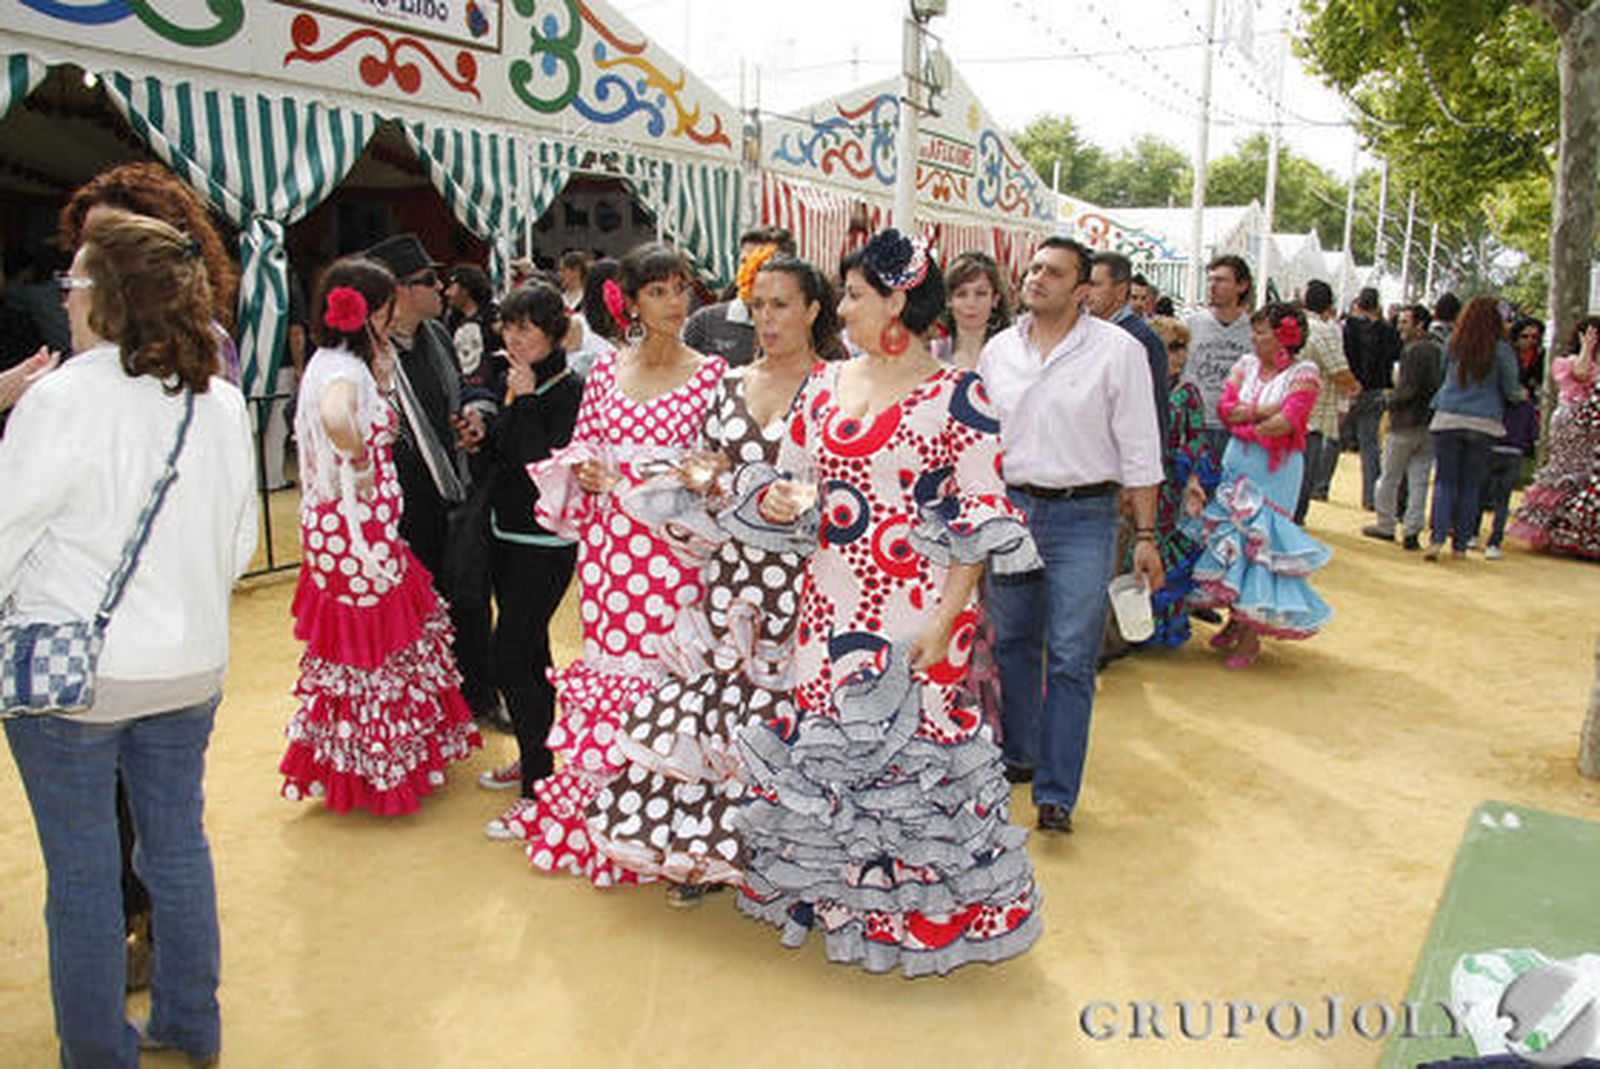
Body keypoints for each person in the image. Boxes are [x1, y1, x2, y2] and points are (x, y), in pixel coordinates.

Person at [738, 228, 1042, 976]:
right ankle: (846, 908)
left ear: (899, 300)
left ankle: (922, 921)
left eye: (853, 295)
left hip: (917, 612)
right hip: (829, 603)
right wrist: (783, 499)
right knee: (836, 767)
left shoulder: (957, 395)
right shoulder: (824, 384)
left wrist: (946, 619)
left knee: (912, 774)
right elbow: (804, 484)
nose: (841, 309)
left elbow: (979, 513)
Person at [1, 209, 257, 1068]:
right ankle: (192, 1022)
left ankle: (98, 1052)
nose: (63, 299)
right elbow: (238, 543)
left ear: (107, 297)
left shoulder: (61, 398)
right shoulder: (218, 403)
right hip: (189, 666)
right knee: (176, 846)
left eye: (72, 282)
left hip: (76, 678)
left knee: (81, 875)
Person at [582, 255, 832, 904]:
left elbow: (849, 484)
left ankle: (790, 863)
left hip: (803, 581)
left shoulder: (835, 387)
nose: (769, 318)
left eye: (784, 304)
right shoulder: (729, 385)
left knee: (787, 719)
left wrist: (807, 496)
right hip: (729, 578)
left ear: (811, 310)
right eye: (761, 304)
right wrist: (689, 476)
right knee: (719, 722)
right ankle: (710, 852)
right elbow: (701, 475)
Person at [511, 242, 727, 885]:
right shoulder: (604, 371)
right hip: (609, 554)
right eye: (659, 290)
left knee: (671, 674)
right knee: (613, 672)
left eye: (681, 288)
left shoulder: (713, 374)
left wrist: (645, 476)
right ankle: (605, 817)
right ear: (628, 302)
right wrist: (584, 465)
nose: (675, 302)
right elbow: (582, 441)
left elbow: (716, 464)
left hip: (673, 555)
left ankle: (671, 825)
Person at [279, 256, 482, 813]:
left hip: (344, 532)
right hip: (359, 535)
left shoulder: (332, 360)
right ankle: (382, 770)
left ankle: (364, 764)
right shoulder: (344, 372)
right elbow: (337, 414)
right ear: (373, 312)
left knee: (363, 655)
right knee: (380, 651)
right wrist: (358, 455)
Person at [980, 237, 1165, 831]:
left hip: (1085, 517)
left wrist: (1146, 534)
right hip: (1011, 511)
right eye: (1033, 268)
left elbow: (1141, 448)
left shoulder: (1119, 351)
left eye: (1053, 272)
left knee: (1069, 657)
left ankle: (1057, 793)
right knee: (1012, 642)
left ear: (1082, 289)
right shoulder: (999, 350)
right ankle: (1021, 755)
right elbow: (981, 439)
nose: (1037, 279)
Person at [365, 233, 497, 723]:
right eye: (427, 281)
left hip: (452, 492)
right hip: (400, 505)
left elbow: (469, 389)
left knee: (469, 601)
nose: (440, 287)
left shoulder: (439, 335)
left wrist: (474, 418)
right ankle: (428, 713)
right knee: (415, 615)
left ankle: (479, 698)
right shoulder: (367, 351)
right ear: (396, 291)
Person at [473, 283, 586, 834]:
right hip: (504, 533)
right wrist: (483, 427)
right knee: (531, 657)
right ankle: (534, 759)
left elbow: (540, 463)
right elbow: (502, 452)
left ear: (555, 333)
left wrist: (527, 398)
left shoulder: (571, 390)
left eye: (526, 328)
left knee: (510, 657)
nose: (513, 338)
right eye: (508, 326)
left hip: (546, 544)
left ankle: (539, 791)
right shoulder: (517, 379)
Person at [1187, 303, 1331, 667]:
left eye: (1262, 331)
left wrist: (1246, 416)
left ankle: (1251, 635)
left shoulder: (1305, 372)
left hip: (1276, 470)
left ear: (1285, 336)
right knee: (1232, 536)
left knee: (1263, 544)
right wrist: (1260, 415)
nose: (1254, 337)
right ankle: (1237, 620)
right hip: (1239, 460)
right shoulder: (1246, 365)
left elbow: (1286, 422)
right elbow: (1224, 410)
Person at [59, 162, 241, 386]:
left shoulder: (202, 343)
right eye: (87, 240)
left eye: (113, 238)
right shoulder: (88, 330)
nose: (94, 252)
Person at [1424, 296, 1526, 561]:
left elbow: (1442, 374)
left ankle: (1436, 539)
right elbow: (1512, 389)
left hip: (1448, 415)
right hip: (1485, 420)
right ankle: (1460, 544)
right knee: (1471, 485)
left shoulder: (1454, 343)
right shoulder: (1502, 350)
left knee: (1445, 481)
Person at [1140, 316, 1218, 647]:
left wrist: (1193, 477)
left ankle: (1164, 627)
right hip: (1135, 482)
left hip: (1170, 486)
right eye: (1170, 348)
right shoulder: (1137, 387)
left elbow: (1198, 439)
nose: (1177, 356)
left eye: (1181, 348)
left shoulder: (1188, 393)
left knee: (1165, 556)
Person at [1512, 317, 1600, 557]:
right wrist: (1587, 349)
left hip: (1591, 425)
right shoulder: (1570, 361)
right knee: (1567, 471)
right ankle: (1556, 532)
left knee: (1586, 473)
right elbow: (1581, 374)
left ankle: (1577, 535)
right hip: (1572, 424)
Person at [1363, 304, 1444, 550]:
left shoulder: (1413, 351)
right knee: (1419, 479)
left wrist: (1388, 400)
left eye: (1405, 322)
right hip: (1429, 423)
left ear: (1419, 324)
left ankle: (1386, 524)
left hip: (1405, 422)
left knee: (1389, 477)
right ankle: (1412, 529)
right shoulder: (1440, 350)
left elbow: (1409, 389)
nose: (1400, 327)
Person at [681, 226, 795, 366]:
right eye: (744, 262)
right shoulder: (704, 323)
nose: (749, 272)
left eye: (760, 265)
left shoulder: (799, 327)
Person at [1294, 279, 1359, 523]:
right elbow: (1339, 370)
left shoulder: (1296, 326)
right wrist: (1354, 388)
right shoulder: (1324, 331)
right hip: (1313, 414)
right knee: (1304, 473)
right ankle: (1295, 521)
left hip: (1286, 409)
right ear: (1329, 305)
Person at [1183, 254, 1256, 469]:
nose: (1213, 286)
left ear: (1241, 286)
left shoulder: (1254, 331)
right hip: (1197, 425)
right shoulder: (1190, 324)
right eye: (1210, 280)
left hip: (1236, 428)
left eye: (1221, 280)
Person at [1089, 250, 1170, 440]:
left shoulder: (1141, 339)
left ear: (1120, 291)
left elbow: (1156, 409)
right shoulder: (1085, 331)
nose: (1087, 292)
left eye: (1095, 285)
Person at [1344, 287, 1404, 512]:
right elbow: (1397, 358)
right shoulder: (1389, 331)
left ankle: (1319, 487)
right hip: (1377, 390)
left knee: (1329, 439)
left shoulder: (1349, 327)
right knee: (1370, 444)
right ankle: (1371, 497)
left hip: (1349, 387)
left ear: (1358, 304)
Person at [931, 250, 1012, 369]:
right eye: (961, 294)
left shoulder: (1012, 354)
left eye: (981, 293)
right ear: (948, 300)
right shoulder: (932, 354)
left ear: (995, 299)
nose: (971, 303)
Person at [442, 262, 504, 397]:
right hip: (461, 391)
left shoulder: (494, 316)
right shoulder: (450, 321)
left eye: (451, 286)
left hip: (491, 391)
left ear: (465, 288)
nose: (446, 293)